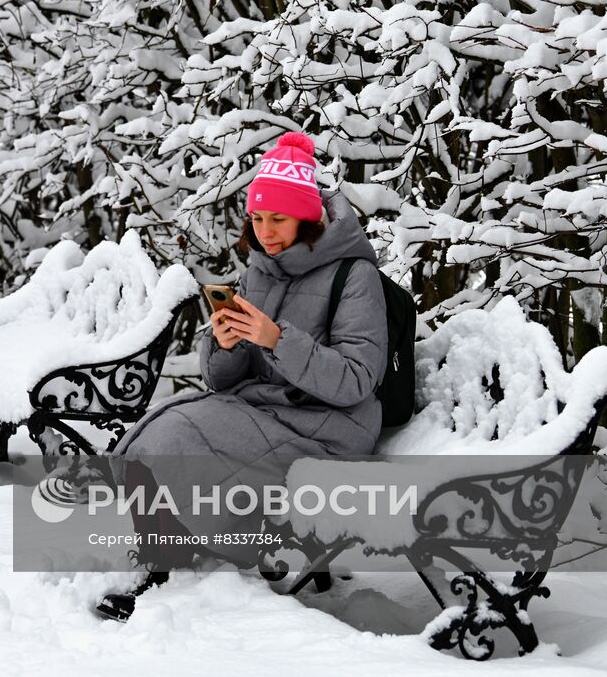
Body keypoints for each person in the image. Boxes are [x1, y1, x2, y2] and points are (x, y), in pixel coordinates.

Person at [94, 131, 388, 621]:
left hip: (329, 426)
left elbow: (357, 380)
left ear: (309, 218)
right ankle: (164, 557)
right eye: (256, 218)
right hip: (266, 411)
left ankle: (168, 562)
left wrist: (277, 340)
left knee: (172, 441)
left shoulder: (354, 276)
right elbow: (220, 380)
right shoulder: (259, 271)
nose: (265, 232)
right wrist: (225, 345)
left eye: (278, 219)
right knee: (162, 426)